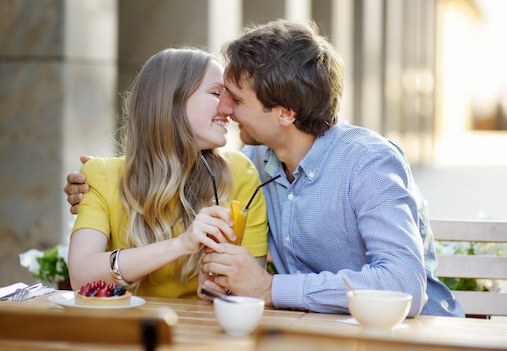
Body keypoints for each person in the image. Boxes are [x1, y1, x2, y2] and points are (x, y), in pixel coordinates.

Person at [66, 20, 464, 318]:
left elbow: (402, 283)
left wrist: (272, 288)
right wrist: (99, 185)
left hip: (408, 339)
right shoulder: (256, 162)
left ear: (285, 114)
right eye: (219, 95)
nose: (226, 108)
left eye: (236, 99)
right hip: (316, 336)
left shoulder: (368, 163)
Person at [67, 47, 268, 301]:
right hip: (123, 330)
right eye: (216, 93)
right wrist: (180, 245)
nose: (228, 108)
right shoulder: (101, 175)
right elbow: (80, 276)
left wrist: (221, 288)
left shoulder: (241, 173)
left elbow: (249, 288)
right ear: (172, 100)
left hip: (206, 332)